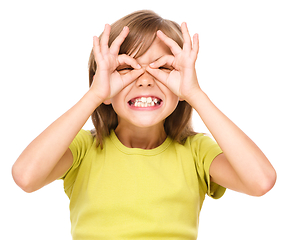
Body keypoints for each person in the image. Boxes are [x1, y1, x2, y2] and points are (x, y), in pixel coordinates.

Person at [12, 10, 276, 240]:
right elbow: (25, 177)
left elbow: (261, 181)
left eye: (163, 67)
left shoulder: (196, 152)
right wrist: (94, 95)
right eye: (129, 68)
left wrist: (195, 94)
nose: (145, 80)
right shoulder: (84, 149)